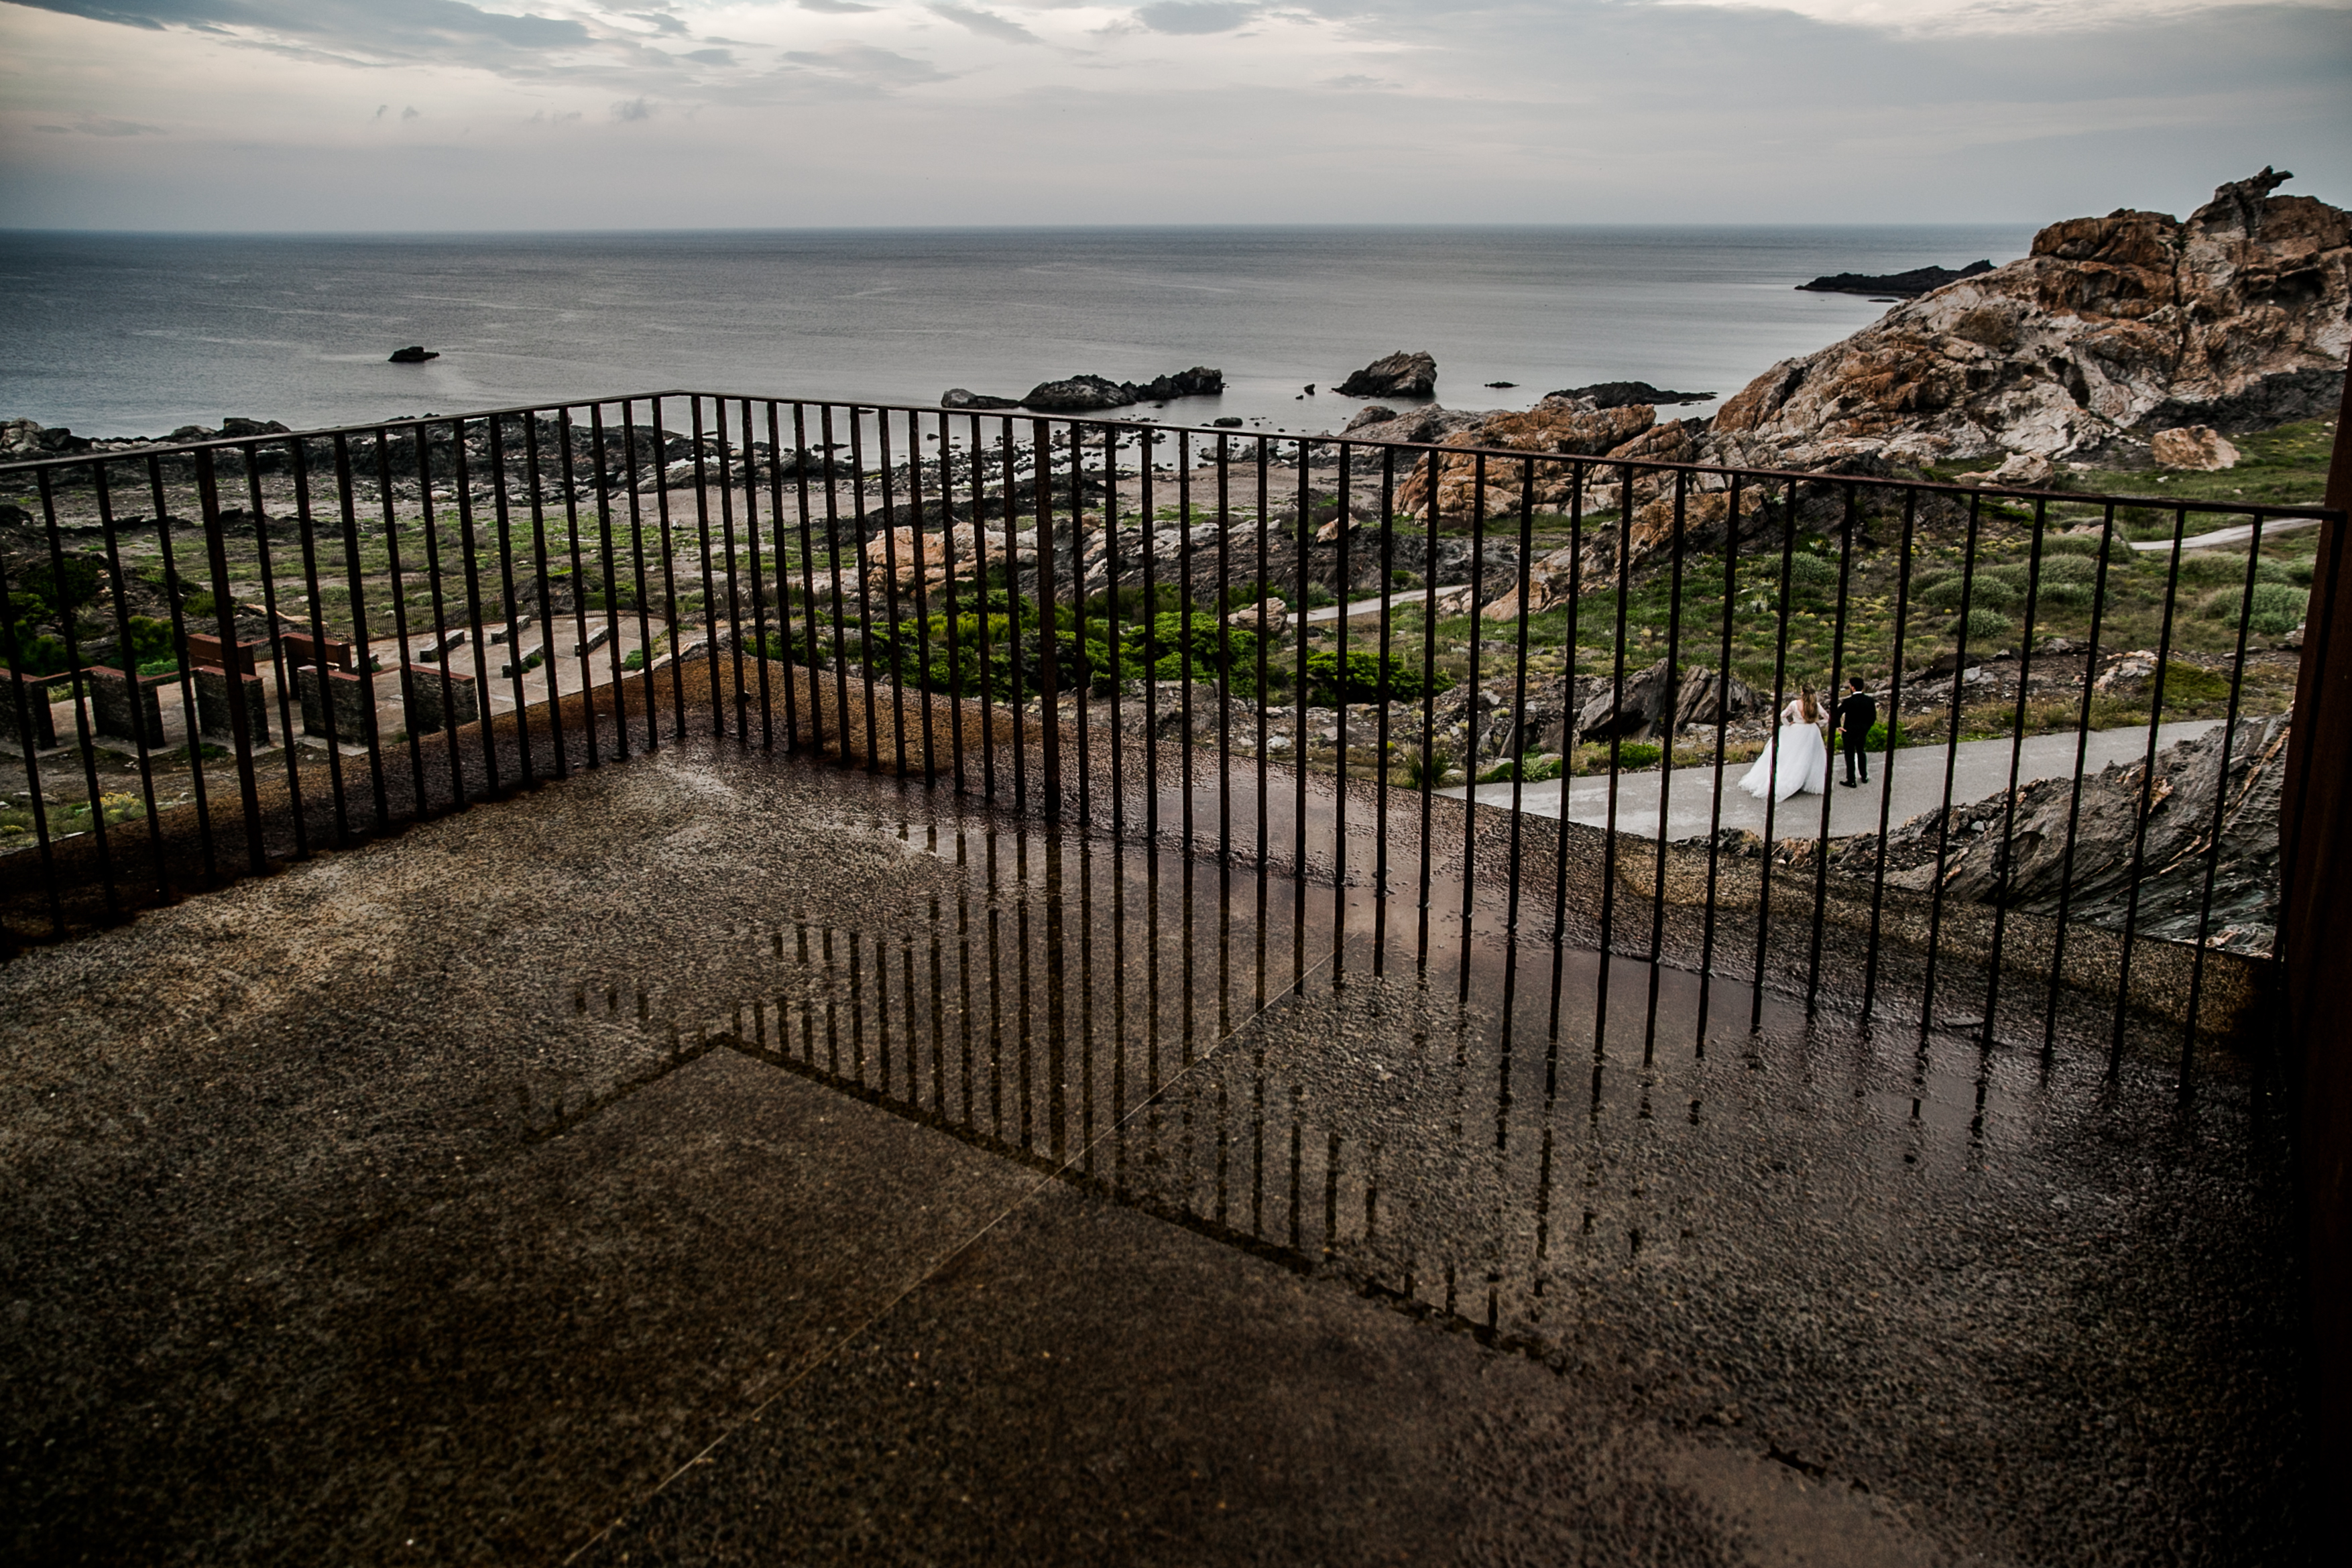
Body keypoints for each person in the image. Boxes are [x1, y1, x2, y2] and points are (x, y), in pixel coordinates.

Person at [1737, 685, 1828, 802]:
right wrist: (1817, 723)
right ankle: (1805, 779)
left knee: (1791, 756)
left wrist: (1788, 724)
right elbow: (1827, 717)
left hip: (1796, 729)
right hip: (1812, 731)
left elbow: (1782, 716)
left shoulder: (1794, 704)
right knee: (1810, 756)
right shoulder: (1816, 705)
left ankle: (1790, 779)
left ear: (1802, 692)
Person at [1836, 676, 1879, 788]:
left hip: (1849, 731)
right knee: (1861, 752)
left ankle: (1851, 779)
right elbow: (1873, 717)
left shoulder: (1848, 701)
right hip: (1862, 731)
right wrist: (1866, 728)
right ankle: (1864, 776)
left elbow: (1837, 714)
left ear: (1853, 688)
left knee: (1849, 755)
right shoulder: (1869, 700)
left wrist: (1838, 726)